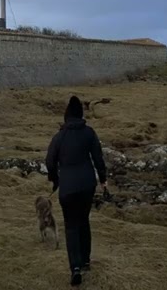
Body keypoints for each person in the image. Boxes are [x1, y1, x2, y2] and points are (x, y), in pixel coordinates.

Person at [45, 95, 108, 286]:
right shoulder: (89, 133)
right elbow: (98, 158)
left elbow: (49, 161)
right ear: (80, 114)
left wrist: (55, 179)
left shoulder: (59, 136)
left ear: (66, 115)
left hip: (68, 188)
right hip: (87, 185)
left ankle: (75, 268)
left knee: (71, 226)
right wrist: (103, 180)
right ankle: (86, 260)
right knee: (84, 221)